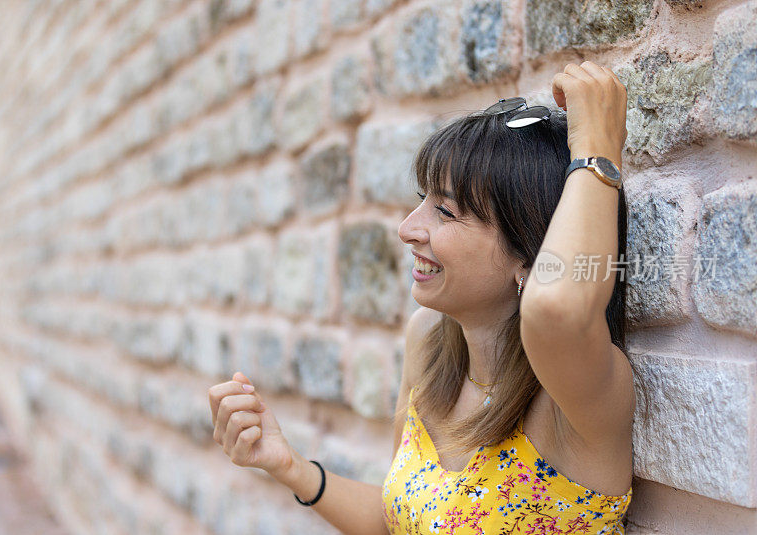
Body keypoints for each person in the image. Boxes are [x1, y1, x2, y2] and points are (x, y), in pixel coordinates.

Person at [208, 60, 647, 534]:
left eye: (445, 210)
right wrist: (287, 465)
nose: (407, 228)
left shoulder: (575, 393)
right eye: (422, 200)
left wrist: (597, 152)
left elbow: (556, 308)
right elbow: (405, 523)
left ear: (529, 255)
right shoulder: (430, 343)